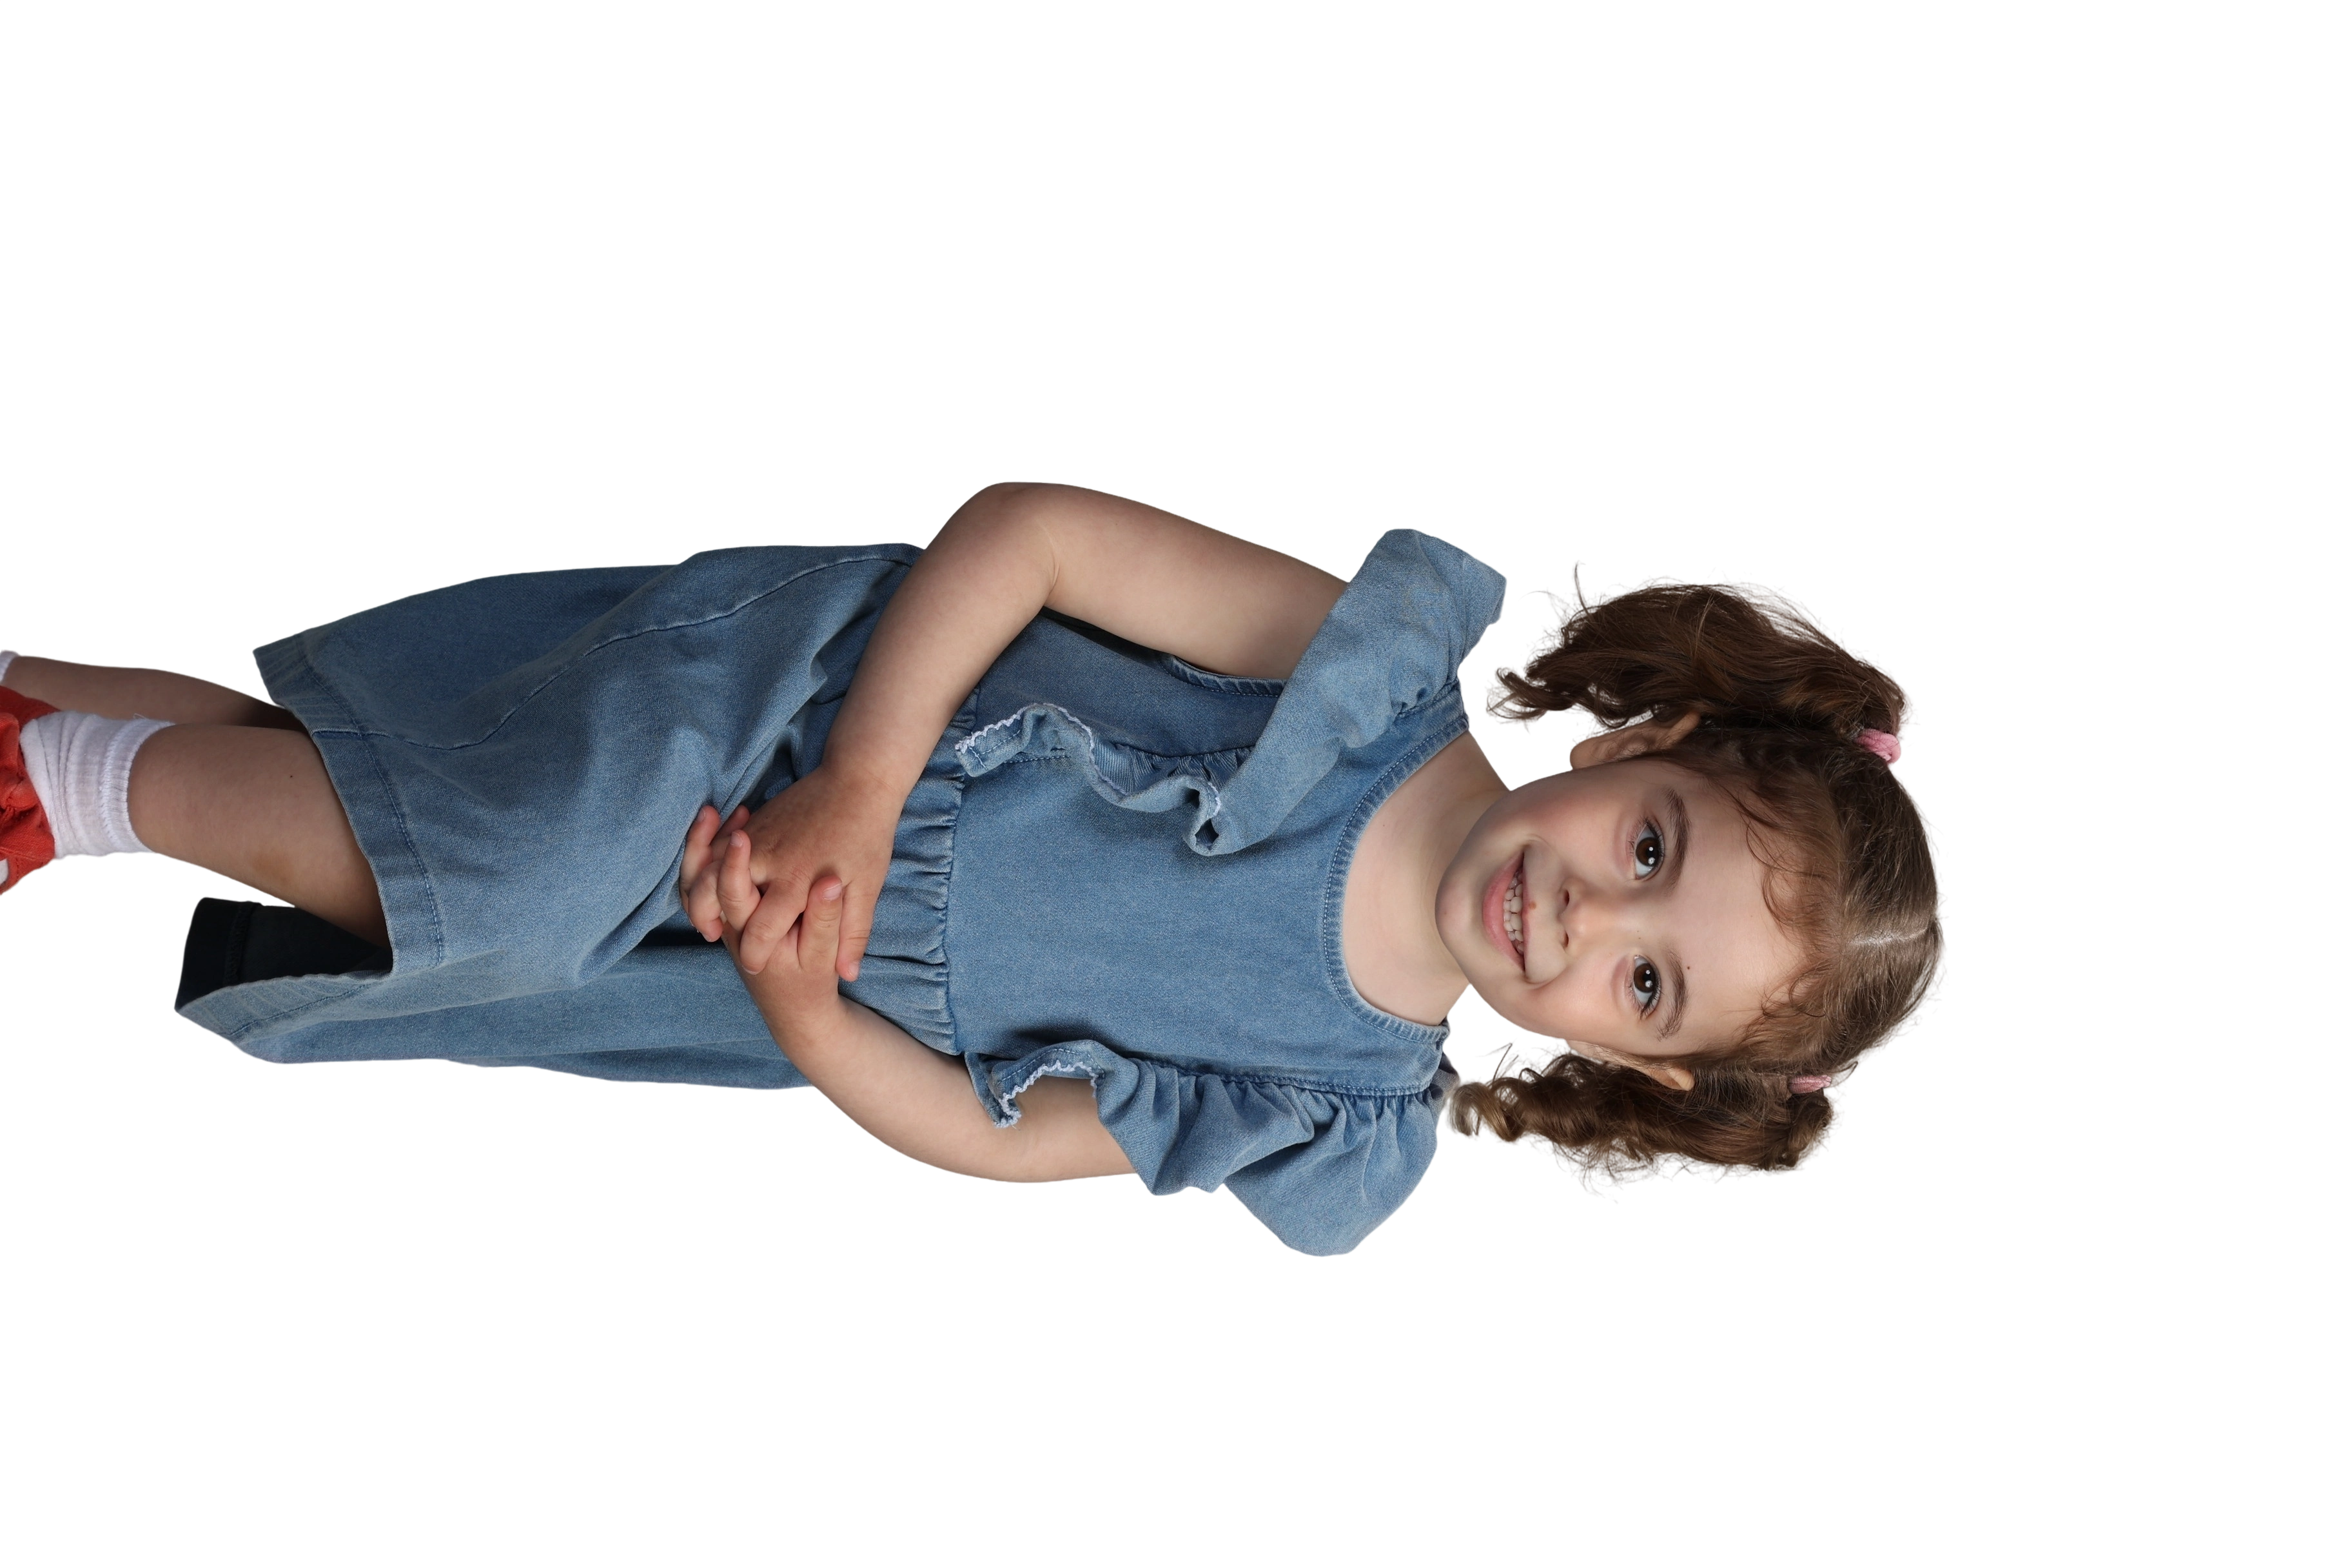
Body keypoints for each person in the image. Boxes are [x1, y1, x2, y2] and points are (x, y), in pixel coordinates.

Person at [0, 480, 1947, 1254]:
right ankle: (52, 785)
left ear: (1630, 1061)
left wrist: (795, 1001)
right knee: (488, 868)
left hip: (766, 963)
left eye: (1645, 981)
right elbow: (1036, 535)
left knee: (390, 835)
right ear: (1638, 740)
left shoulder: (1338, 1109)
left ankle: (52, 724)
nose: (1587, 917)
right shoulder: (1364, 686)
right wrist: (858, 787)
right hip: (798, 715)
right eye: (1647, 848)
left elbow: (1008, 1143)